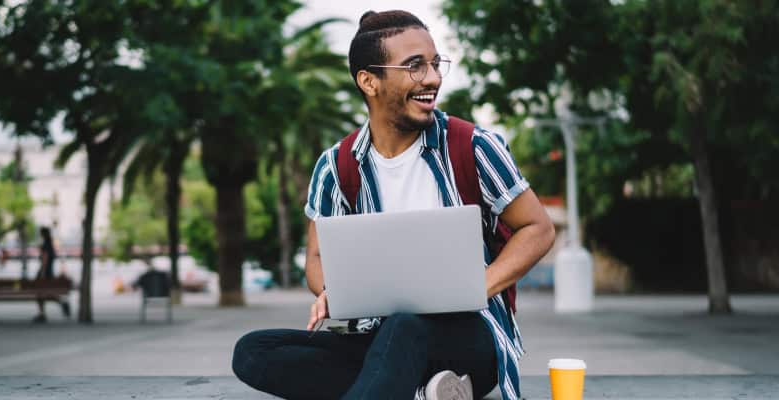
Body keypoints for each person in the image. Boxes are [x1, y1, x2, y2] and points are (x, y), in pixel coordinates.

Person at [232, 10, 555, 400]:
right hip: (378, 334)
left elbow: (538, 228)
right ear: (369, 81)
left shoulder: (473, 146)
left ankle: (400, 386)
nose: (433, 78)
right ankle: (427, 393)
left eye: (435, 64)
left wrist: (470, 289)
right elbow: (317, 260)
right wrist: (333, 291)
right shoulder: (336, 166)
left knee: (406, 327)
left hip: (470, 340)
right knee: (254, 351)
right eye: (415, 67)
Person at [32, 227, 56, 323]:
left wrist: (42, 272)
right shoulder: (50, 244)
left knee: (39, 293)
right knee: (43, 293)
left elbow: (45, 258)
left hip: (44, 273)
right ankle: (42, 313)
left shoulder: (46, 245)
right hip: (49, 272)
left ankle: (42, 313)